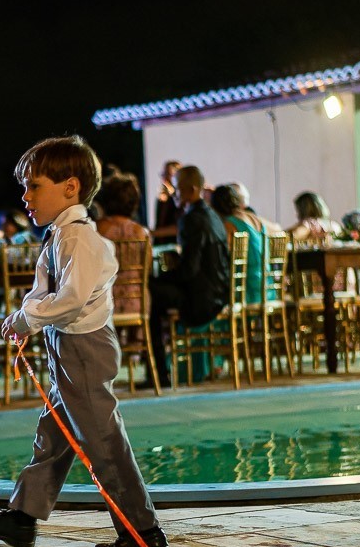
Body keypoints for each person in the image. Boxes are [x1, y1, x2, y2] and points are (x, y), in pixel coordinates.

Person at [0, 135, 164, 547]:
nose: (25, 195)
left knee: (104, 443)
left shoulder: (79, 239)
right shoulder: (60, 236)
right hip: (67, 347)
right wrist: (29, 319)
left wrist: (26, 318)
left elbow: (71, 297)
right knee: (53, 435)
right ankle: (23, 517)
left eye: (34, 186)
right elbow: (44, 290)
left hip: (85, 351)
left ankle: (142, 533)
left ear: (70, 188)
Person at [147, 165, 230, 388]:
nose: (174, 194)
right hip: (219, 292)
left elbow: (188, 271)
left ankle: (158, 374)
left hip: (201, 298)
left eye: (178, 189)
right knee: (153, 290)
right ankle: (160, 371)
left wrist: (161, 276)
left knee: (148, 293)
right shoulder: (212, 215)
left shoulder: (191, 219)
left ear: (192, 190)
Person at [94, 172, 150, 316]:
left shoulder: (97, 229)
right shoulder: (141, 233)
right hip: (136, 302)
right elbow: (147, 271)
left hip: (105, 303)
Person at [211, 183, 272, 304]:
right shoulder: (254, 218)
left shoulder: (230, 224)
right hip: (268, 287)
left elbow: (222, 256)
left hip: (247, 290)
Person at [152, 160, 182, 243]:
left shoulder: (180, 200)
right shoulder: (161, 199)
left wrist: (152, 233)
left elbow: (177, 227)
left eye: (168, 175)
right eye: (163, 174)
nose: (164, 179)